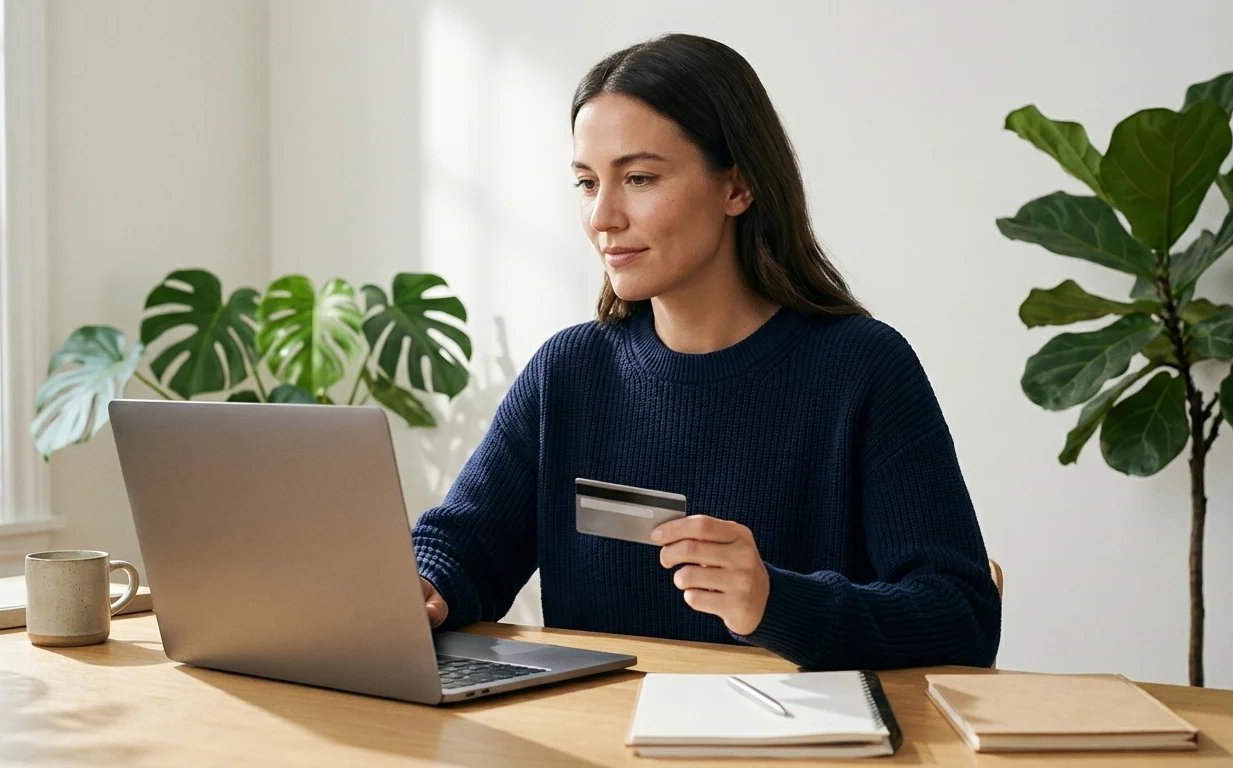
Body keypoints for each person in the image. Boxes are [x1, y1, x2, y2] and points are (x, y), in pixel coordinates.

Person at [410, 33, 1001, 670]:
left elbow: (960, 615)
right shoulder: (570, 372)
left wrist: (776, 601)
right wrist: (423, 587)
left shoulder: (863, 370)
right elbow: (464, 546)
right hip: (597, 742)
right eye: (586, 183)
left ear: (737, 188)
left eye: (638, 178)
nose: (602, 216)